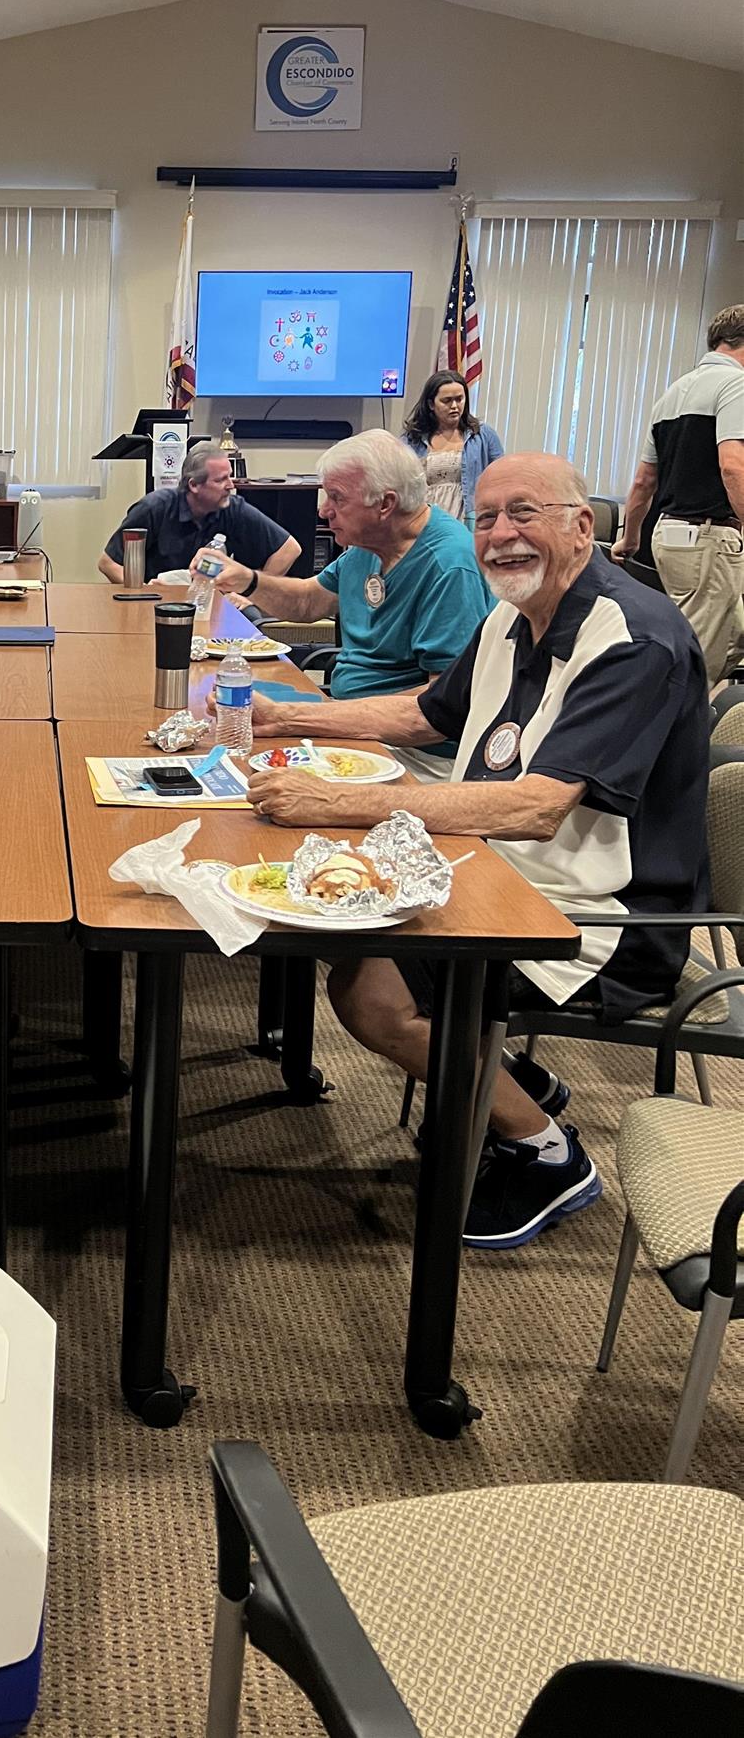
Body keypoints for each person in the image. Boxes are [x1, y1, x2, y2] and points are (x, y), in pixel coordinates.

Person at [246, 453, 709, 1250]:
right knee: (324, 907)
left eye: (523, 512)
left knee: (370, 994)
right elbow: (426, 715)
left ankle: (545, 1153)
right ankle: (503, 1076)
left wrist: (339, 803)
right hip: (495, 871)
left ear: (581, 525)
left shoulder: (631, 638)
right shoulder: (513, 613)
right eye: (486, 517)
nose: (499, 535)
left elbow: (536, 808)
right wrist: (282, 719)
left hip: (598, 918)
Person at [200, 432, 492, 759]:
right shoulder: (371, 544)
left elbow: (437, 711)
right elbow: (307, 601)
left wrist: (293, 717)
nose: (324, 511)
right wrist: (248, 580)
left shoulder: (449, 566)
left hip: (416, 750)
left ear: (385, 504)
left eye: (337, 498)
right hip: (353, 720)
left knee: (248, 762)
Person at [612, 303, 744, 683]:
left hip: (670, 539)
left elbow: (643, 482)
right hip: (707, 540)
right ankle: (660, 717)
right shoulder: (736, 385)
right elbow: (733, 466)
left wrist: (630, 538)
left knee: (735, 634)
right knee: (692, 663)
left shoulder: (672, 393)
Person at [98, 442, 301, 584]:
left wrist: (252, 593)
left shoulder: (233, 508)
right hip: (158, 602)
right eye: (221, 480)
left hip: (211, 601)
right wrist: (143, 592)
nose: (231, 486)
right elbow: (108, 563)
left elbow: (289, 549)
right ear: (194, 485)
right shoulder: (154, 508)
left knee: (252, 619)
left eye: (230, 477)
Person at [402, 369, 503, 524]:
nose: (454, 406)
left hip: (468, 520)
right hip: (425, 520)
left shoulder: (483, 435)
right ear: (431, 404)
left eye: (459, 399)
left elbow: (501, 477)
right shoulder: (412, 440)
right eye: (447, 401)